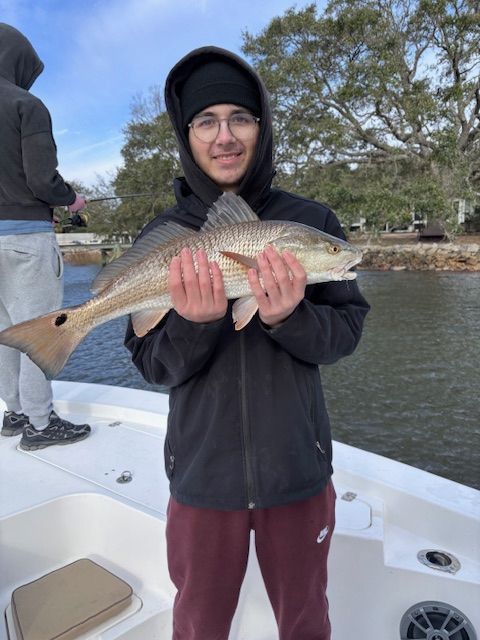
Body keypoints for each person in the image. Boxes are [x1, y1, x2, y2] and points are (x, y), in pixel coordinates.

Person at [125, 46, 370, 640]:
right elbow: (153, 365)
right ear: (187, 136)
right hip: (202, 480)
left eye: (240, 117)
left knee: (306, 619)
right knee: (198, 625)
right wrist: (196, 321)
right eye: (206, 120)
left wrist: (289, 317)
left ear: (262, 125)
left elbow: (344, 334)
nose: (225, 135)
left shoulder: (310, 220)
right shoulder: (163, 235)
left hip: (297, 472)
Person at [0, 23, 91, 450]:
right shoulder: (26, 105)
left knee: (3, 331)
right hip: (26, 242)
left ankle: (14, 412)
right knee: (37, 329)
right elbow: (41, 180)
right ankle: (40, 425)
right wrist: (70, 200)